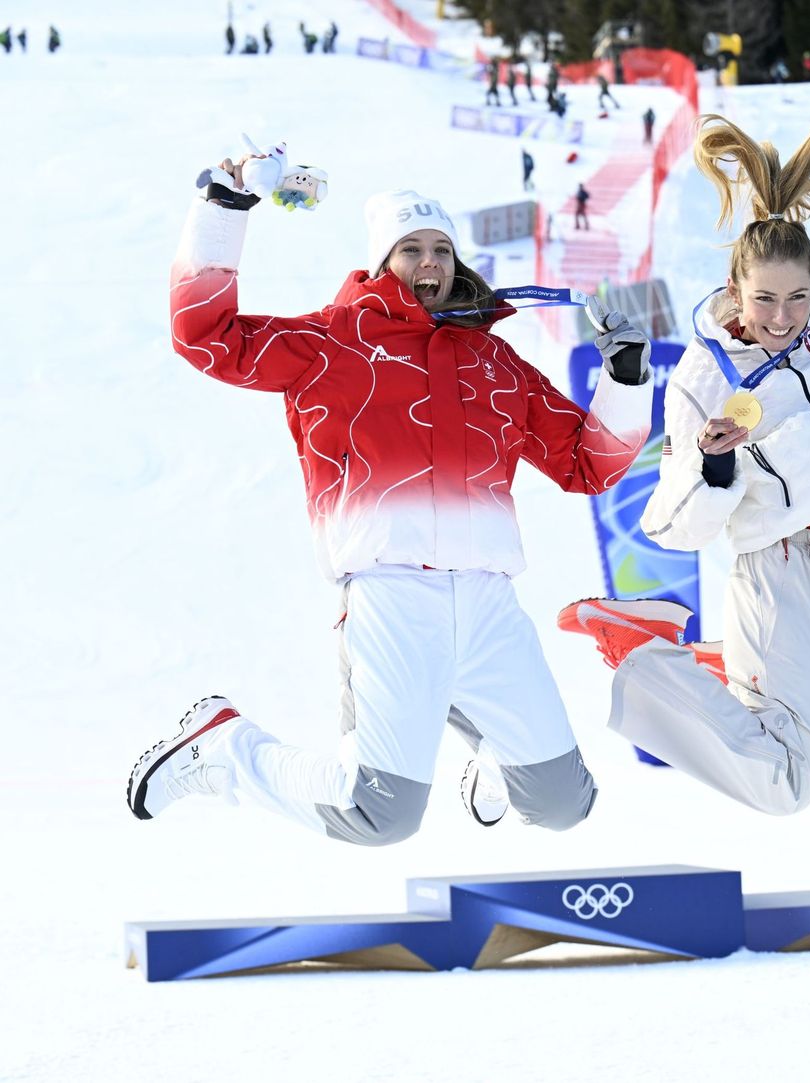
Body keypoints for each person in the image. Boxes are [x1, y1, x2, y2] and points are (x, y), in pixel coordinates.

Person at [126, 154, 656, 844]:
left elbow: (591, 463)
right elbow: (207, 337)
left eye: (440, 248)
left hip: (490, 603)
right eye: (411, 249)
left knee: (563, 803)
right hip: (392, 595)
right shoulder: (328, 341)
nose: (429, 261)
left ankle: (491, 748)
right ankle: (224, 749)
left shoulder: (495, 364)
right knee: (377, 815)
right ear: (382, 263)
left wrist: (625, 375)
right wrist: (224, 209)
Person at [495, 83, 810, 821]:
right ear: (735, 288)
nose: (783, 319)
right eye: (764, 301)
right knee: (785, 782)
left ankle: (742, 669)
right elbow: (672, 523)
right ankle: (643, 653)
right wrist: (715, 465)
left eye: (797, 298)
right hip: (774, 567)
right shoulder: (702, 374)